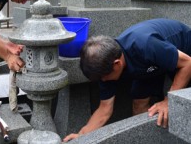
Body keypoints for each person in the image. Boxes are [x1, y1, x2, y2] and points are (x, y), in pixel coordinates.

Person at [63, 18, 191, 142]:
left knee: (183, 100)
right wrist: (82, 135)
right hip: (151, 64)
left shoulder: (146, 45)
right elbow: (104, 109)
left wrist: (169, 101)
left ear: (117, 64)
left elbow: (187, 64)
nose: (103, 81)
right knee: (139, 103)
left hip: (184, 52)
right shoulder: (103, 67)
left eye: (104, 78)